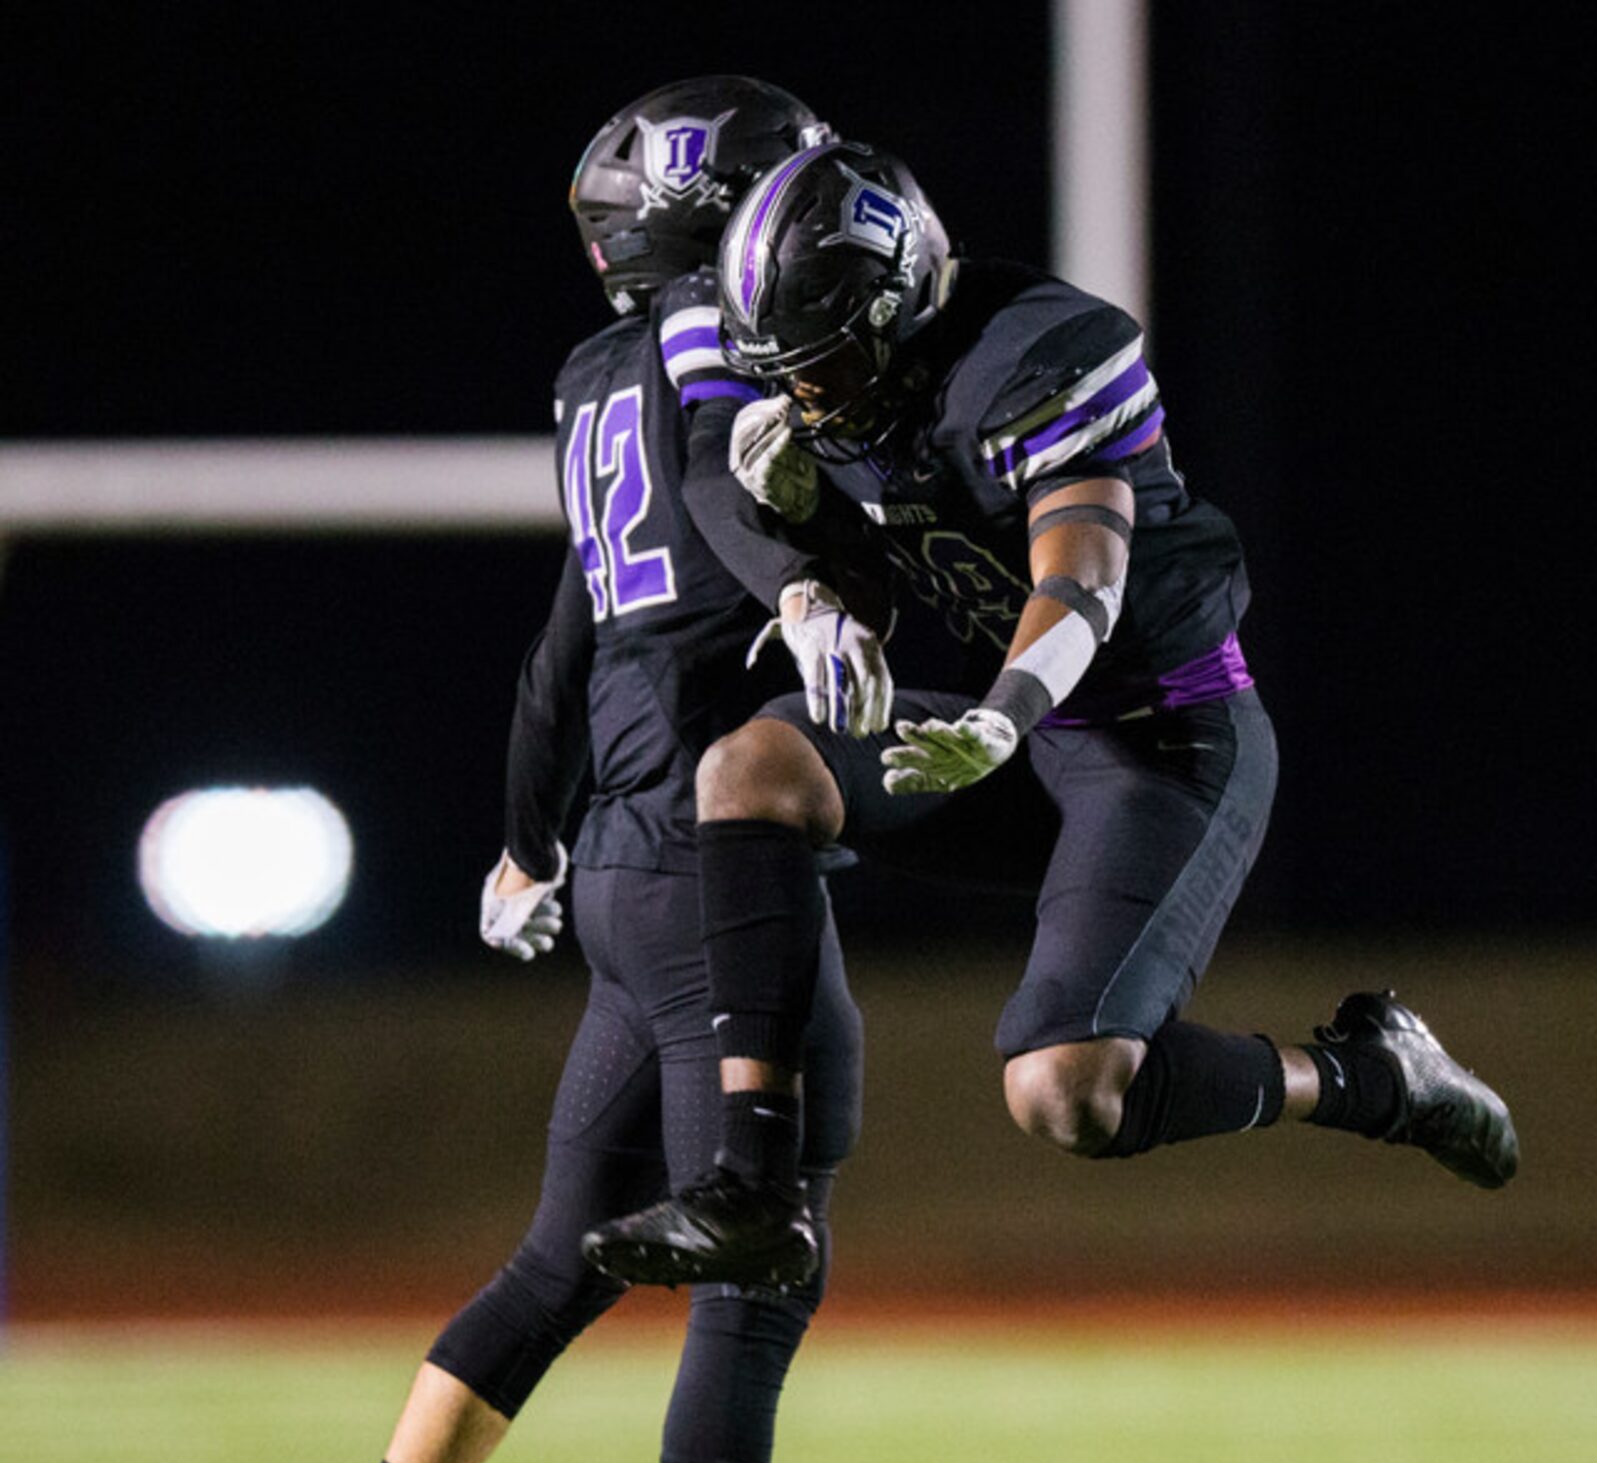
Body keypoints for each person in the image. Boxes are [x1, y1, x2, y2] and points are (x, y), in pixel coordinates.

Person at [579, 139, 1519, 1292]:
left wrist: (1002, 716)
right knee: (750, 769)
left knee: (1067, 1093)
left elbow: (1082, 584)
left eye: (819, 366)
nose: (803, 395)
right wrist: (817, 569)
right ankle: (753, 1189)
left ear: (894, 306)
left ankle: (1376, 1080)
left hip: (1164, 744)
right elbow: (899, 545)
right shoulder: (853, 381)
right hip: (1029, 739)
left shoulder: (1036, 355)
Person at [252, 78, 858, 1463]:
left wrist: (525, 837)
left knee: (563, 1252)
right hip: (703, 854)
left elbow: (567, 629)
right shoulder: (700, 357)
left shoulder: (594, 378)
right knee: (765, 1254)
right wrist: (812, 593)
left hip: (613, 842)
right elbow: (725, 511)